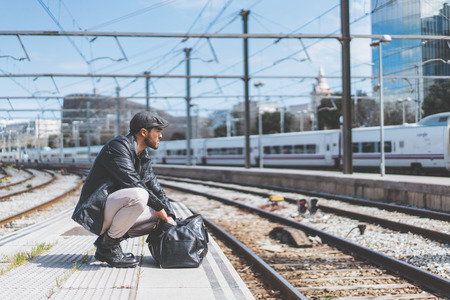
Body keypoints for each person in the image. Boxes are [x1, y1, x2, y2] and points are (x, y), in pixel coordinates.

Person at [72, 111, 176, 268]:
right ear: (144, 132)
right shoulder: (118, 147)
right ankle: (109, 247)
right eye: (158, 131)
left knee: (159, 218)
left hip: (113, 208)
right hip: (97, 209)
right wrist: (159, 207)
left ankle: (106, 244)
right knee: (139, 195)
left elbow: (156, 187)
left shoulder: (142, 155)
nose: (160, 136)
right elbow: (132, 181)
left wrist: (170, 215)